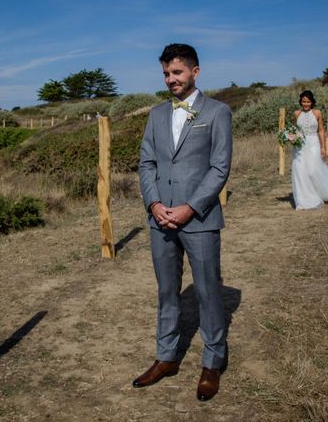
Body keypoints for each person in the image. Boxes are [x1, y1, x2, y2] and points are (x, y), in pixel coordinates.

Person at [134, 43, 232, 401]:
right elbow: (147, 163)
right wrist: (154, 202)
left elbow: (220, 167)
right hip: (160, 220)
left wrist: (190, 207)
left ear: (195, 72)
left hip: (200, 219)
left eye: (177, 72)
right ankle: (166, 356)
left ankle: (213, 361)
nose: (170, 79)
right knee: (166, 292)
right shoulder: (156, 114)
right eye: (165, 73)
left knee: (207, 293)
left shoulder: (217, 112)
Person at [291, 90, 328, 210]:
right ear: (300, 101)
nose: (306, 104)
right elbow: (294, 130)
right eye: (303, 101)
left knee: (312, 170)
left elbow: (321, 131)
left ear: (312, 102)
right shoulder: (296, 113)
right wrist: (291, 137)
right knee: (300, 172)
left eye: (308, 102)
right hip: (300, 146)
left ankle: (322, 192)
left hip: (313, 143)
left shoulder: (317, 113)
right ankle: (302, 201)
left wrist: (323, 147)